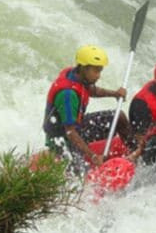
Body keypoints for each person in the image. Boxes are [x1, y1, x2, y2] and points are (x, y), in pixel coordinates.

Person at [43, 45, 135, 174]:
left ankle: (135, 154)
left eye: (100, 71)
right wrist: (93, 156)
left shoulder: (77, 75)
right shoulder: (68, 95)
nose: (99, 76)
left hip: (76, 125)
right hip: (62, 138)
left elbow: (91, 90)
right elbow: (70, 132)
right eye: (96, 71)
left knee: (118, 117)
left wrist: (115, 94)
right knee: (80, 173)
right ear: (84, 68)